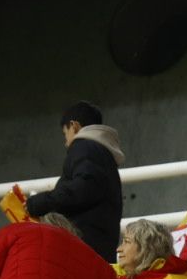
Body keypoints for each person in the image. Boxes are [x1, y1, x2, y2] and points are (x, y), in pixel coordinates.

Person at [25, 101, 124, 261]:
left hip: (84, 245)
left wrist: (39, 203)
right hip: (102, 246)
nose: (66, 142)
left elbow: (82, 189)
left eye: (65, 134)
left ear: (74, 126)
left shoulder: (84, 147)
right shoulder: (105, 155)